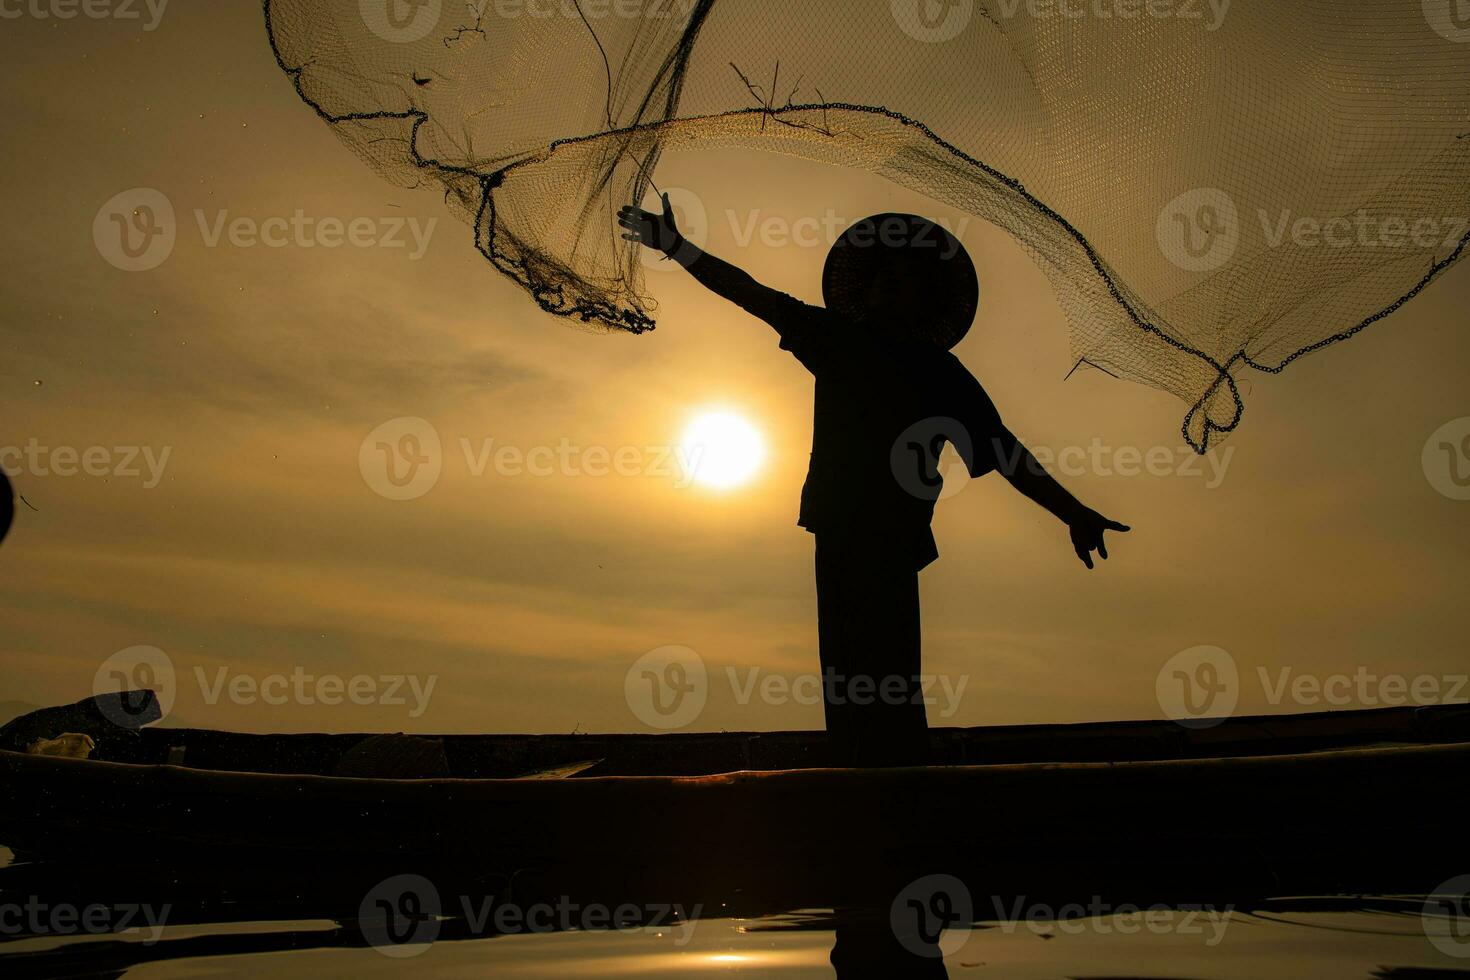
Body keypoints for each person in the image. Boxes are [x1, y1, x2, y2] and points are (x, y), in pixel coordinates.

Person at [619, 197, 1129, 767]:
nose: (890, 287)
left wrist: (1073, 512)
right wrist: (678, 248)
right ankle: (861, 783)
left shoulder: (940, 373)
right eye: (884, 278)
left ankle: (894, 788)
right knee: (846, 677)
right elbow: (751, 293)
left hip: (891, 535)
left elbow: (1005, 452)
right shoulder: (834, 337)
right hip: (836, 528)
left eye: (904, 281)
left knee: (886, 677)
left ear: (923, 299)